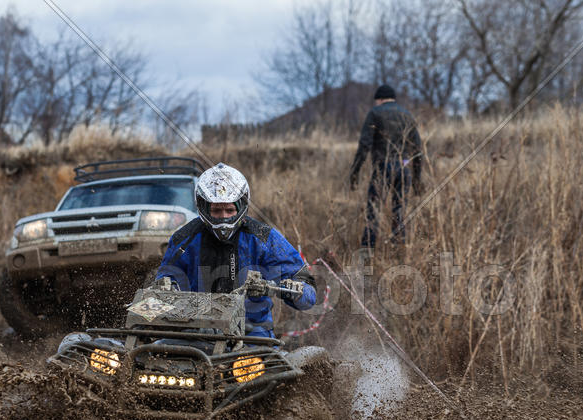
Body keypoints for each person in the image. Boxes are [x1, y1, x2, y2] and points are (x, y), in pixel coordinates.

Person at [155, 163, 316, 338]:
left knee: (269, 364)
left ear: (241, 206)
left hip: (251, 335)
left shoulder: (264, 238)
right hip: (193, 331)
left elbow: (308, 294)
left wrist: (284, 288)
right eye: (216, 210)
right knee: (153, 355)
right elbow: (164, 281)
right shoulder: (184, 239)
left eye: (229, 210)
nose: (223, 216)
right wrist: (167, 288)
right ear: (203, 207)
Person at [349, 84, 422, 249]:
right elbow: (418, 151)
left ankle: (367, 253)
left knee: (373, 212)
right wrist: (417, 180)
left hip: (383, 167)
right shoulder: (407, 115)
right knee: (399, 213)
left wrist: (354, 173)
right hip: (404, 168)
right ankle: (399, 251)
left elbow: (364, 146)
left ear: (380, 99)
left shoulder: (375, 113)